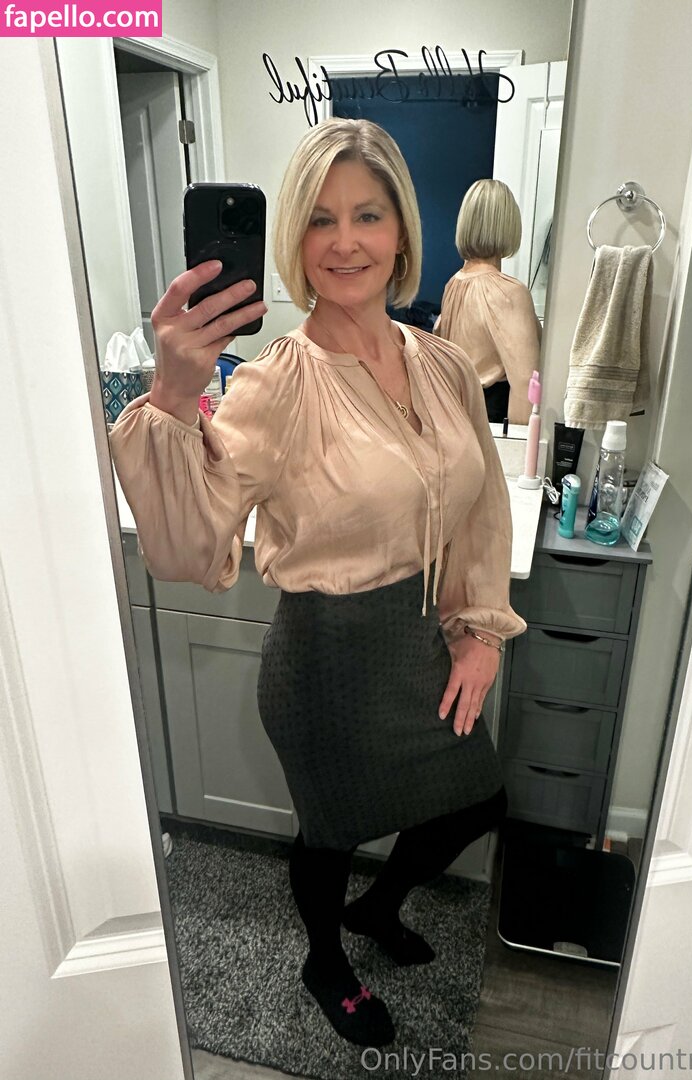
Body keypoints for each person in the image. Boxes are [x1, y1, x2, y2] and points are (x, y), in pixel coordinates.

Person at [109, 118, 526, 1048]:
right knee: (330, 831)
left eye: (367, 215)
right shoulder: (275, 385)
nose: (345, 242)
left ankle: (378, 909)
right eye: (321, 220)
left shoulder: (444, 365)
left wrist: (478, 628)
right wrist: (172, 394)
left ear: (402, 230)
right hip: (326, 662)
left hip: (421, 641)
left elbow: (481, 506)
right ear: (294, 241)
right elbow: (187, 547)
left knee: (480, 801)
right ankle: (324, 959)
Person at [434, 179, 543, 425]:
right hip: (491, 419)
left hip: (457, 414)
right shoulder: (509, 292)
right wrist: (519, 443)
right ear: (509, 225)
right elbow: (525, 382)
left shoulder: (453, 284)